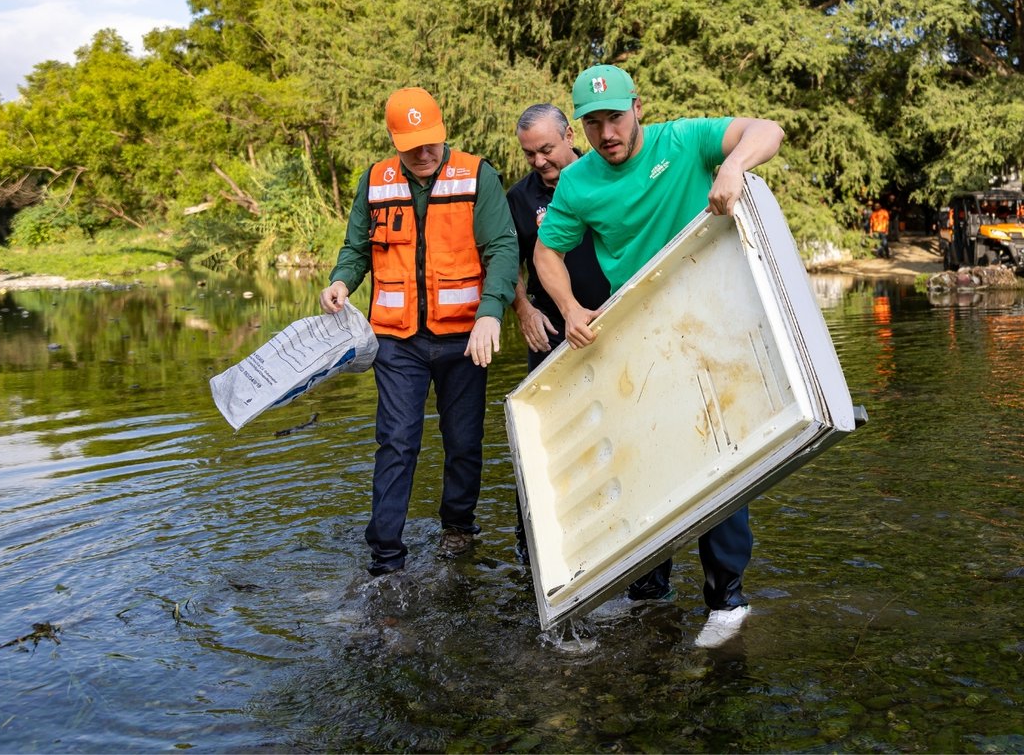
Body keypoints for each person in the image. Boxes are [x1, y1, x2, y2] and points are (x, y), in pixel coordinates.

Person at [532, 63, 782, 648]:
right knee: (647, 454)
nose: (606, 133)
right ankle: (651, 592)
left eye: (615, 118)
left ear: (637, 108)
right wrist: (568, 308)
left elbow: (766, 129)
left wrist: (734, 165)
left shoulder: (684, 138)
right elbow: (546, 255)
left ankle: (727, 600)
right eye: (592, 124)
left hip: (712, 312)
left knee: (718, 450)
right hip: (639, 329)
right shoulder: (577, 184)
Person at [320, 87, 519, 577]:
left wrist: (492, 311)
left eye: (431, 142)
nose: (424, 153)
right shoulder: (375, 181)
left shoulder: (477, 175)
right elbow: (355, 249)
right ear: (394, 140)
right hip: (395, 339)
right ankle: (386, 555)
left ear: (442, 131)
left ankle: (458, 528)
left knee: (465, 440)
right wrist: (340, 282)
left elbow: (503, 248)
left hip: (465, 337)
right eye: (412, 146)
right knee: (397, 440)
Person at [506, 103, 612, 563]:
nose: (539, 162)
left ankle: (613, 537)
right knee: (547, 439)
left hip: (613, 320)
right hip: (550, 332)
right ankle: (535, 548)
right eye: (530, 154)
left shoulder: (606, 176)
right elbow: (504, 259)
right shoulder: (519, 198)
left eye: (546, 149)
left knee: (611, 428)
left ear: (570, 135)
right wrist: (524, 308)